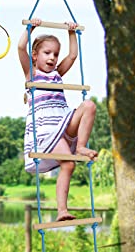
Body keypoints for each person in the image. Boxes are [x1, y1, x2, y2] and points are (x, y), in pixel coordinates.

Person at [18, 18, 98, 222]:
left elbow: (72, 55)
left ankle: (80, 146)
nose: (52, 58)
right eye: (47, 53)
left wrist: (72, 33)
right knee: (68, 165)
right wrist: (31, 29)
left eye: (55, 54)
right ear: (35, 56)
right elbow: (20, 47)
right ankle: (62, 210)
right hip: (46, 131)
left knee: (89, 105)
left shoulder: (57, 74)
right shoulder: (32, 74)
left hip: (63, 121)